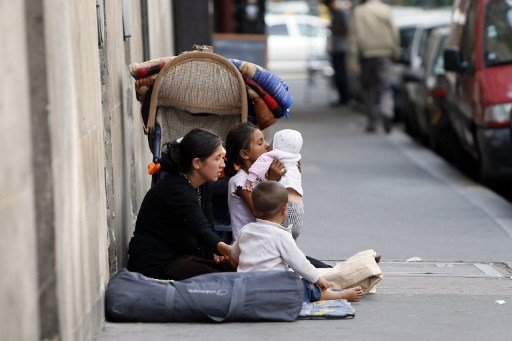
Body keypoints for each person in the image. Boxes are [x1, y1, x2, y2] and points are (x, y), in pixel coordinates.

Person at [126, 128, 235, 280]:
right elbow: (202, 230)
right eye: (217, 158)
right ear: (197, 163)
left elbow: (207, 225)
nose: (223, 164)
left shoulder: (203, 185)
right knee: (226, 281)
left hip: (181, 256)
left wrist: (215, 253)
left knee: (233, 272)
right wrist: (229, 250)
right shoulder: (176, 189)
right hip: (156, 264)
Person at [231, 181, 363, 302]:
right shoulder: (282, 235)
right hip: (275, 293)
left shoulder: (246, 230)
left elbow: (235, 254)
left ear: (253, 209)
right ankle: (338, 295)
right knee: (308, 286)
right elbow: (300, 263)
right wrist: (317, 278)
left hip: (246, 291)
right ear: (284, 210)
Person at [225, 122, 332, 269]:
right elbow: (262, 213)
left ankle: (358, 268)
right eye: (261, 143)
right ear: (244, 154)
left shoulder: (260, 177)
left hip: (269, 241)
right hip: (251, 246)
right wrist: (272, 180)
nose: (268, 146)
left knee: (313, 265)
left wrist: (291, 176)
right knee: (310, 268)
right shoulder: (240, 182)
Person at [349, 0, 400, 133]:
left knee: (368, 89)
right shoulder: (386, 10)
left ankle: (372, 121)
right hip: (384, 55)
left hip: (366, 56)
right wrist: (395, 51)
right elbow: (394, 32)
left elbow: (353, 38)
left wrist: (353, 61)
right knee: (385, 88)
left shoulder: (359, 12)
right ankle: (386, 111)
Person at [243, 129, 304, 240]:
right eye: (261, 143)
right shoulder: (294, 159)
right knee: (287, 244)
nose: (267, 146)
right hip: (299, 209)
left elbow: (263, 207)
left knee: (278, 243)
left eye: (270, 143)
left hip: (284, 209)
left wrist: (268, 180)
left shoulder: (272, 159)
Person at [323, 0, 352, 107]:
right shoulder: (336, 13)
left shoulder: (341, 13)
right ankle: (342, 98)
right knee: (338, 75)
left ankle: (345, 98)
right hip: (336, 48)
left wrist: (333, 27)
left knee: (341, 74)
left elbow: (346, 30)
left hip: (341, 48)